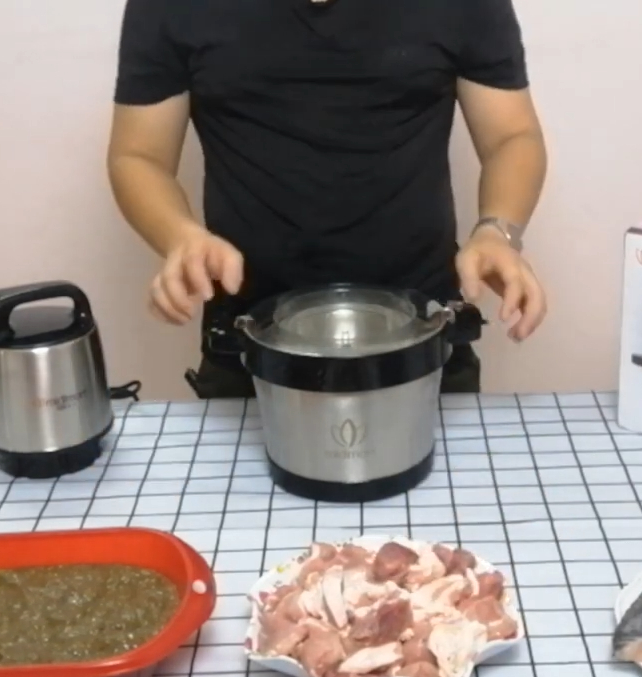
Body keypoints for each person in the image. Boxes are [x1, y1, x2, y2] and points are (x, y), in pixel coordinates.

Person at [107, 0, 548, 398]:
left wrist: (497, 230)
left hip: (425, 338)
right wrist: (179, 236)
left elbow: (511, 136)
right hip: (248, 342)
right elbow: (139, 155)